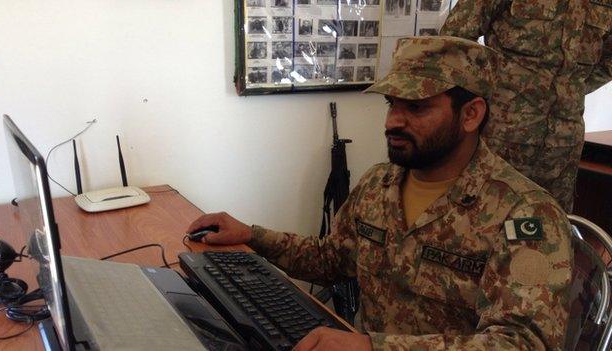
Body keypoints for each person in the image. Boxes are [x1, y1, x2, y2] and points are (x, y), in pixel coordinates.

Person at [186, 36, 574, 350]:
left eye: (417, 107)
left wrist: (371, 348)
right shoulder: (379, 184)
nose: (392, 122)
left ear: (471, 114)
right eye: (392, 104)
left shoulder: (526, 215)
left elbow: (523, 342)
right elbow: (331, 259)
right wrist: (252, 236)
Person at [441, 0, 612, 212]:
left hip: (562, 147)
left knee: (550, 227)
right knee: (479, 219)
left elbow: (608, 61)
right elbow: (454, 40)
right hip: (499, 136)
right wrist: (487, 92)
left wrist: (570, 91)